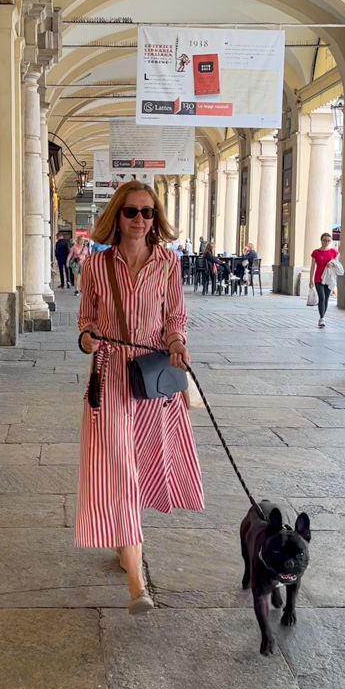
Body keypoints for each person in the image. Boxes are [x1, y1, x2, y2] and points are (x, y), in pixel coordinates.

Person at [77, 182, 204, 615]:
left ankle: (124, 540)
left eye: (148, 213)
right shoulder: (96, 265)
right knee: (121, 469)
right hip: (111, 374)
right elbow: (86, 320)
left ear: (156, 218)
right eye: (131, 212)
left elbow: (176, 316)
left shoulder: (168, 262)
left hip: (152, 377)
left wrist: (176, 341)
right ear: (118, 215)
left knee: (143, 463)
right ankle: (137, 582)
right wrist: (87, 339)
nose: (139, 220)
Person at [309, 232, 340, 327]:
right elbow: (312, 267)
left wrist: (332, 264)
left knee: (326, 298)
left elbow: (337, 263)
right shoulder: (316, 252)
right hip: (319, 277)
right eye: (324, 240)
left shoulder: (333, 252)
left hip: (329, 278)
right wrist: (311, 280)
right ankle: (322, 318)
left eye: (328, 241)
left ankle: (323, 316)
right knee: (321, 297)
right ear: (321, 240)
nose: (326, 242)